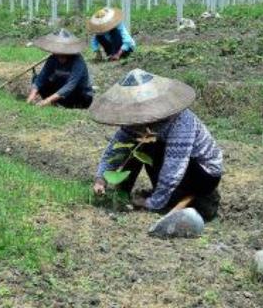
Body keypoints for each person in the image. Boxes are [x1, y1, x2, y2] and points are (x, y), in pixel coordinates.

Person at [90, 69, 224, 221]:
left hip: (203, 173)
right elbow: (115, 149)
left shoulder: (181, 122)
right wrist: (101, 178)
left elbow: (174, 167)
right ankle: (122, 194)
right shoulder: (136, 122)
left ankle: (186, 198)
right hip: (176, 168)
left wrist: (152, 203)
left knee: (146, 144)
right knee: (136, 144)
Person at [26, 28, 93, 109]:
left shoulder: (78, 61)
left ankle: (56, 102)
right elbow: (41, 77)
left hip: (79, 95)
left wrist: (47, 100)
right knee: (36, 79)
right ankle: (56, 102)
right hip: (63, 91)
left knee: (73, 90)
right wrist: (32, 95)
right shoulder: (52, 59)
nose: (60, 56)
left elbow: (70, 86)